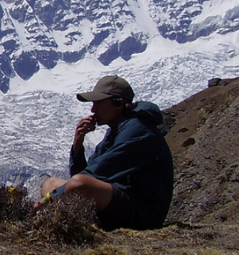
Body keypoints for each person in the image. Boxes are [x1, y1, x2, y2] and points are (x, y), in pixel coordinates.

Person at [39, 75, 173, 230]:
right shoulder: (117, 129)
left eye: (98, 103)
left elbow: (98, 172)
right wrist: (78, 144)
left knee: (76, 185)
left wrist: (51, 198)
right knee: (51, 183)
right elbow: (84, 174)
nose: (93, 109)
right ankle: (69, 223)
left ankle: (66, 224)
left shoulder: (138, 131)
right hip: (119, 199)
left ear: (118, 103)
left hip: (142, 213)